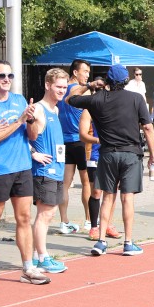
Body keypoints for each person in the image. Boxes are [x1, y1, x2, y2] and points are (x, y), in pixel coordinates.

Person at [68, 64, 154, 256]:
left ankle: (101, 241)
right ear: (126, 81)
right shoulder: (136, 98)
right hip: (131, 153)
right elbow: (148, 128)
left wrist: (89, 85)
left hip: (107, 154)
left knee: (107, 197)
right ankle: (128, 243)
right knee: (127, 197)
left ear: (106, 80)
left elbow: (70, 98)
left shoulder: (97, 99)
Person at [0, 60, 49, 286]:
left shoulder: (19, 100)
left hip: (22, 166)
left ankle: (28, 267)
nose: (7, 79)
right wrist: (18, 120)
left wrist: (31, 120)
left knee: (24, 218)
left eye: (10, 76)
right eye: (2, 75)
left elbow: (32, 135)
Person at [29, 68, 73, 274]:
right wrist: (33, 153)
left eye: (64, 87)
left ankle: (36, 255)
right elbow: (20, 135)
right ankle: (42, 257)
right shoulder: (38, 109)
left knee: (50, 213)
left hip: (57, 169)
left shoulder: (55, 110)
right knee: (45, 213)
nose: (62, 91)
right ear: (48, 85)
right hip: (44, 170)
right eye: (58, 87)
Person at [57, 59, 95, 233]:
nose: (87, 75)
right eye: (85, 71)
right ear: (75, 72)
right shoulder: (76, 89)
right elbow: (75, 93)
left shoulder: (59, 89)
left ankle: (64, 222)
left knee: (65, 183)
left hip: (63, 141)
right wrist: (89, 86)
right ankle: (89, 220)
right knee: (86, 182)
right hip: (80, 141)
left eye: (88, 72)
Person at [78, 104, 122, 241]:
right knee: (96, 191)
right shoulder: (89, 110)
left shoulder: (116, 106)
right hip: (95, 155)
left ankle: (108, 224)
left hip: (113, 154)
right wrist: (99, 140)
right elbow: (83, 135)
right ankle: (94, 227)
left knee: (112, 191)